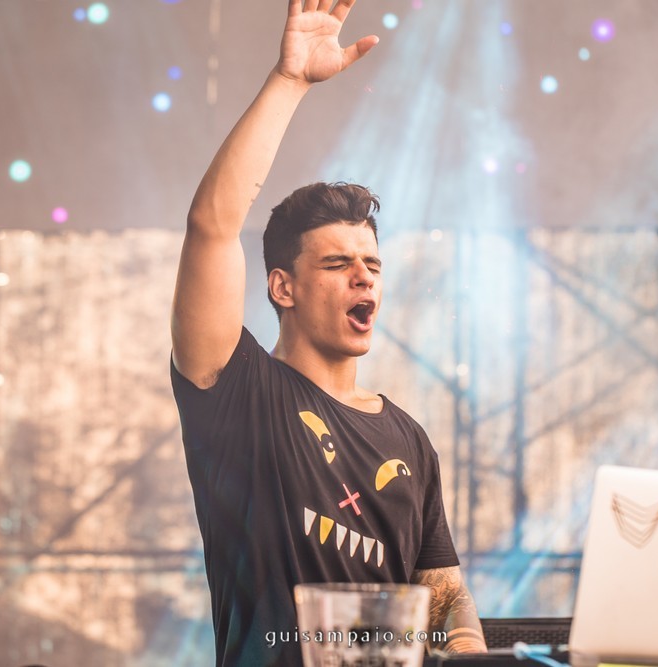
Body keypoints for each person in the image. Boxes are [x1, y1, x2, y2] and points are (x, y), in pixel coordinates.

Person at [170, 0, 488, 663]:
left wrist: (467, 648)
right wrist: (289, 82)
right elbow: (212, 226)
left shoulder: (409, 439)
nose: (364, 276)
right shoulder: (238, 392)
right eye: (338, 264)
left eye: (372, 264)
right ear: (282, 287)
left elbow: (443, 595)